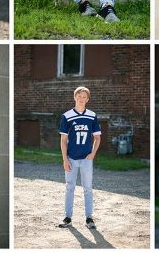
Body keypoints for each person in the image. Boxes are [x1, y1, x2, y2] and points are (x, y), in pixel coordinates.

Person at [58, 86, 102, 230]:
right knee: (70, 188)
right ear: (75, 97)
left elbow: (97, 137)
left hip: (86, 159)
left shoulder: (92, 115)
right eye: (79, 96)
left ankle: (89, 218)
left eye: (84, 97)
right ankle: (68, 217)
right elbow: (63, 140)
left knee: (88, 188)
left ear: (87, 100)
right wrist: (65, 159)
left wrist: (93, 153)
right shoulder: (67, 116)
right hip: (71, 158)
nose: (81, 99)